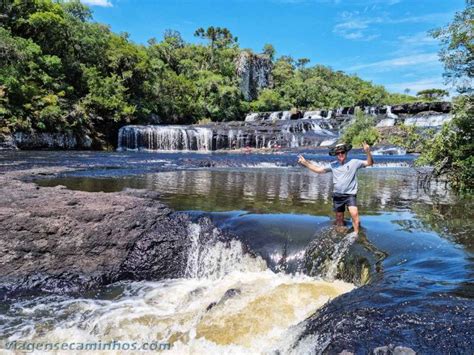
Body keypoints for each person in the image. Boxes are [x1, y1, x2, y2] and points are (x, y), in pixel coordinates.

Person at [297, 142, 373, 235]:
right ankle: (340, 233)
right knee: (339, 219)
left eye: (342, 152)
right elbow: (319, 170)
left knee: (355, 215)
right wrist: (305, 163)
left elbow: (370, 163)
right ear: (336, 154)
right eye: (338, 153)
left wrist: (368, 152)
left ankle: (356, 236)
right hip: (337, 195)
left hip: (350, 195)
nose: (340, 154)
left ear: (346, 152)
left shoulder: (354, 162)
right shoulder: (333, 165)